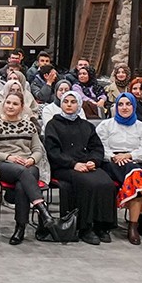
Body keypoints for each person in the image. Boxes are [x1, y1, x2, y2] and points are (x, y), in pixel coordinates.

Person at [96, 93, 142, 245]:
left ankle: (133, 227)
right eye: (121, 104)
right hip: (112, 162)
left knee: (135, 181)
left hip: (136, 161)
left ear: (134, 107)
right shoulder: (106, 125)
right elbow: (99, 148)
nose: (124, 108)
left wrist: (129, 155)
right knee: (136, 175)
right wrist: (114, 156)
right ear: (116, 107)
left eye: (128, 104)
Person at [44, 91, 116, 245]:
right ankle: (85, 227)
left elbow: (97, 148)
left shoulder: (86, 125)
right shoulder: (53, 125)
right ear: (61, 104)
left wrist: (94, 161)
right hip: (64, 166)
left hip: (86, 164)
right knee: (88, 184)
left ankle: (102, 226)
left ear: (79, 105)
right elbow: (53, 151)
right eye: (66, 101)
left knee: (107, 183)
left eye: (73, 102)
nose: (69, 105)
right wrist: (73, 164)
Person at [0, 91, 50, 245]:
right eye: (8, 103)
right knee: (22, 173)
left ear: (22, 107)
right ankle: (42, 209)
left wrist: (32, 159)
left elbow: (38, 150)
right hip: (4, 164)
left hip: (28, 164)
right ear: (3, 104)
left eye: (15, 104)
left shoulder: (29, 125)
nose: (10, 106)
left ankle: (20, 227)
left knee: (22, 185)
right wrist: (9, 157)